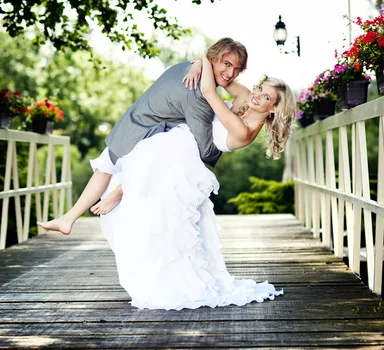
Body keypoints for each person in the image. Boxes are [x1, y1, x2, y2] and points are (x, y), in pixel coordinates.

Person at [91, 55, 296, 310]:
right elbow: (223, 76)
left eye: (266, 98)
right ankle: (123, 189)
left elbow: (210, 91)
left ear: (274, 109)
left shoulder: (244, 132)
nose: (257, 96)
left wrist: (201, 61)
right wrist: (201, 62)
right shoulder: (246, 96)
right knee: (159, 212)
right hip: (180, 143)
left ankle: (124, 191)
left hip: (185, 159)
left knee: (169, 226)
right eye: (260, 89)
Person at [38, 37, 249, 235]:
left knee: (104, 166)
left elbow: (221, 79)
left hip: (133, 120)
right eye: (226, 64)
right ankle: (119, 192)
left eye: (237, 69)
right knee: (180, 151)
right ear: (213, 59)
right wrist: (224, 146)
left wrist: (201, 61)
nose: (231, 74)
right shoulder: (198, 98)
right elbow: (205, 151)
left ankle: (69, 218)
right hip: (146, 134)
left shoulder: (185, 67)